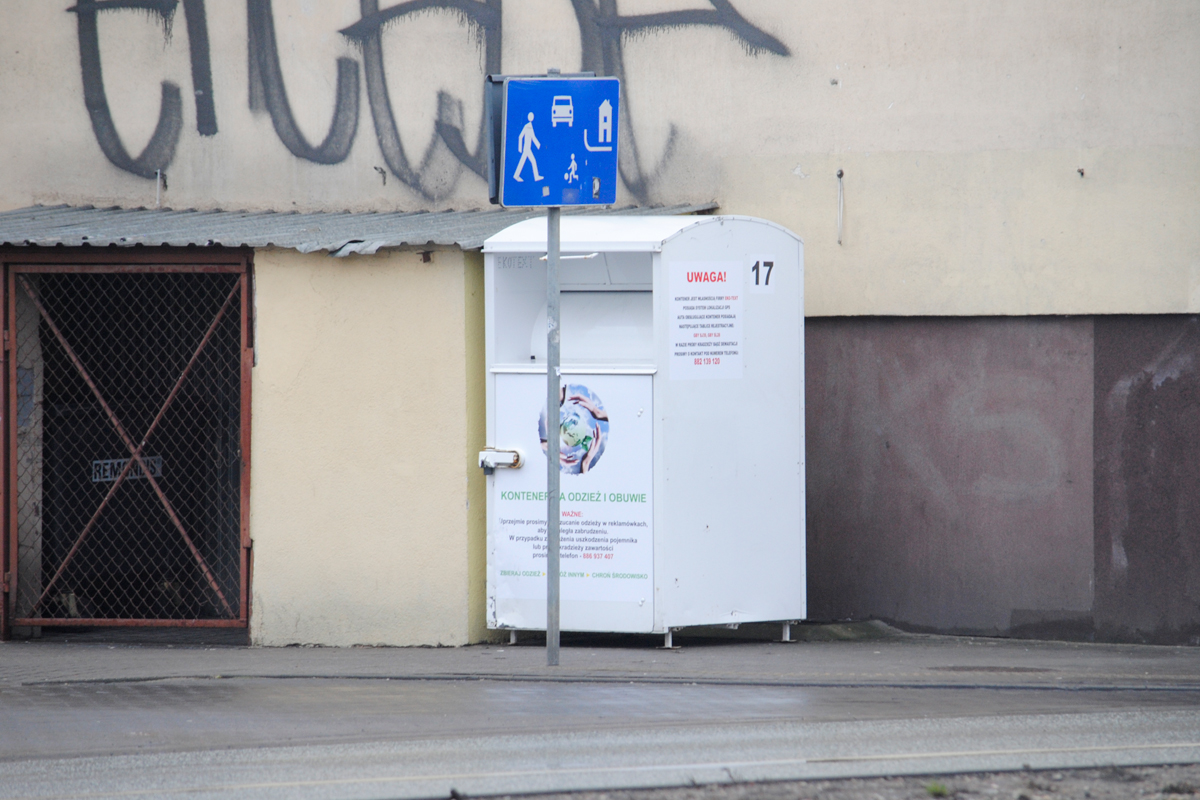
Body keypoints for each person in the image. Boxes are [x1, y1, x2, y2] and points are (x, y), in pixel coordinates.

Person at [512, 112, 542, 182]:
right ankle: (536, 176)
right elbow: (522, 136)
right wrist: (519, 148)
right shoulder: (528, 127)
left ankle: (517, 175)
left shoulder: (529, 126)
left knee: (525, 161)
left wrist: (538, 145)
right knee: (532, 161)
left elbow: (532, 137)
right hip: (526, 149)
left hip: (527, 148)